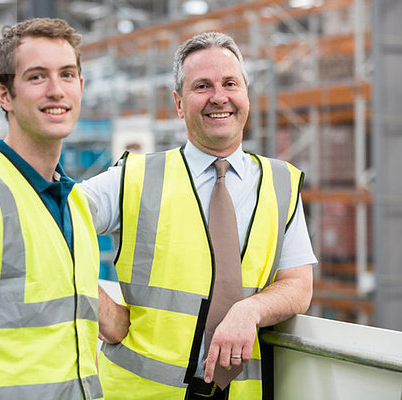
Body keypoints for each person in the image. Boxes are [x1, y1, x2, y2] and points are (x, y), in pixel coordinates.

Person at [81, 32, 317, 399]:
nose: (219, 97)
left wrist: (250, 310)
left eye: (230, 84)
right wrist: (102, 311)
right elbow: (48, 224)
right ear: (178, 103)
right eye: (202, 86)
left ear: (246, 97)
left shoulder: (281, 183)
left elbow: (298, 286)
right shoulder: (133, 179)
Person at [0, 18, 127, 400]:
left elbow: (74, 302)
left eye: (67, 75)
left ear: (81, 87)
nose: (56, 90)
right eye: (36, 77)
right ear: (4, 95)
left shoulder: (74, 201)